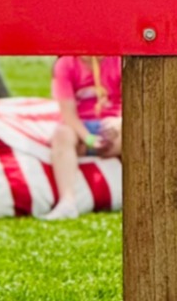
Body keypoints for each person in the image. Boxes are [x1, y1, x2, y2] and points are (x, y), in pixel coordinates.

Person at [43, 54, 121, 221]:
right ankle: (67, 202)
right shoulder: (66, 64)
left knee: (137, 134)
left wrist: (120, 122)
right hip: (81, 127)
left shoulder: (118, 60)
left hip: (113, 125)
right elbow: (68, 113)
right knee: (62, 134)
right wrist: (88, 138)